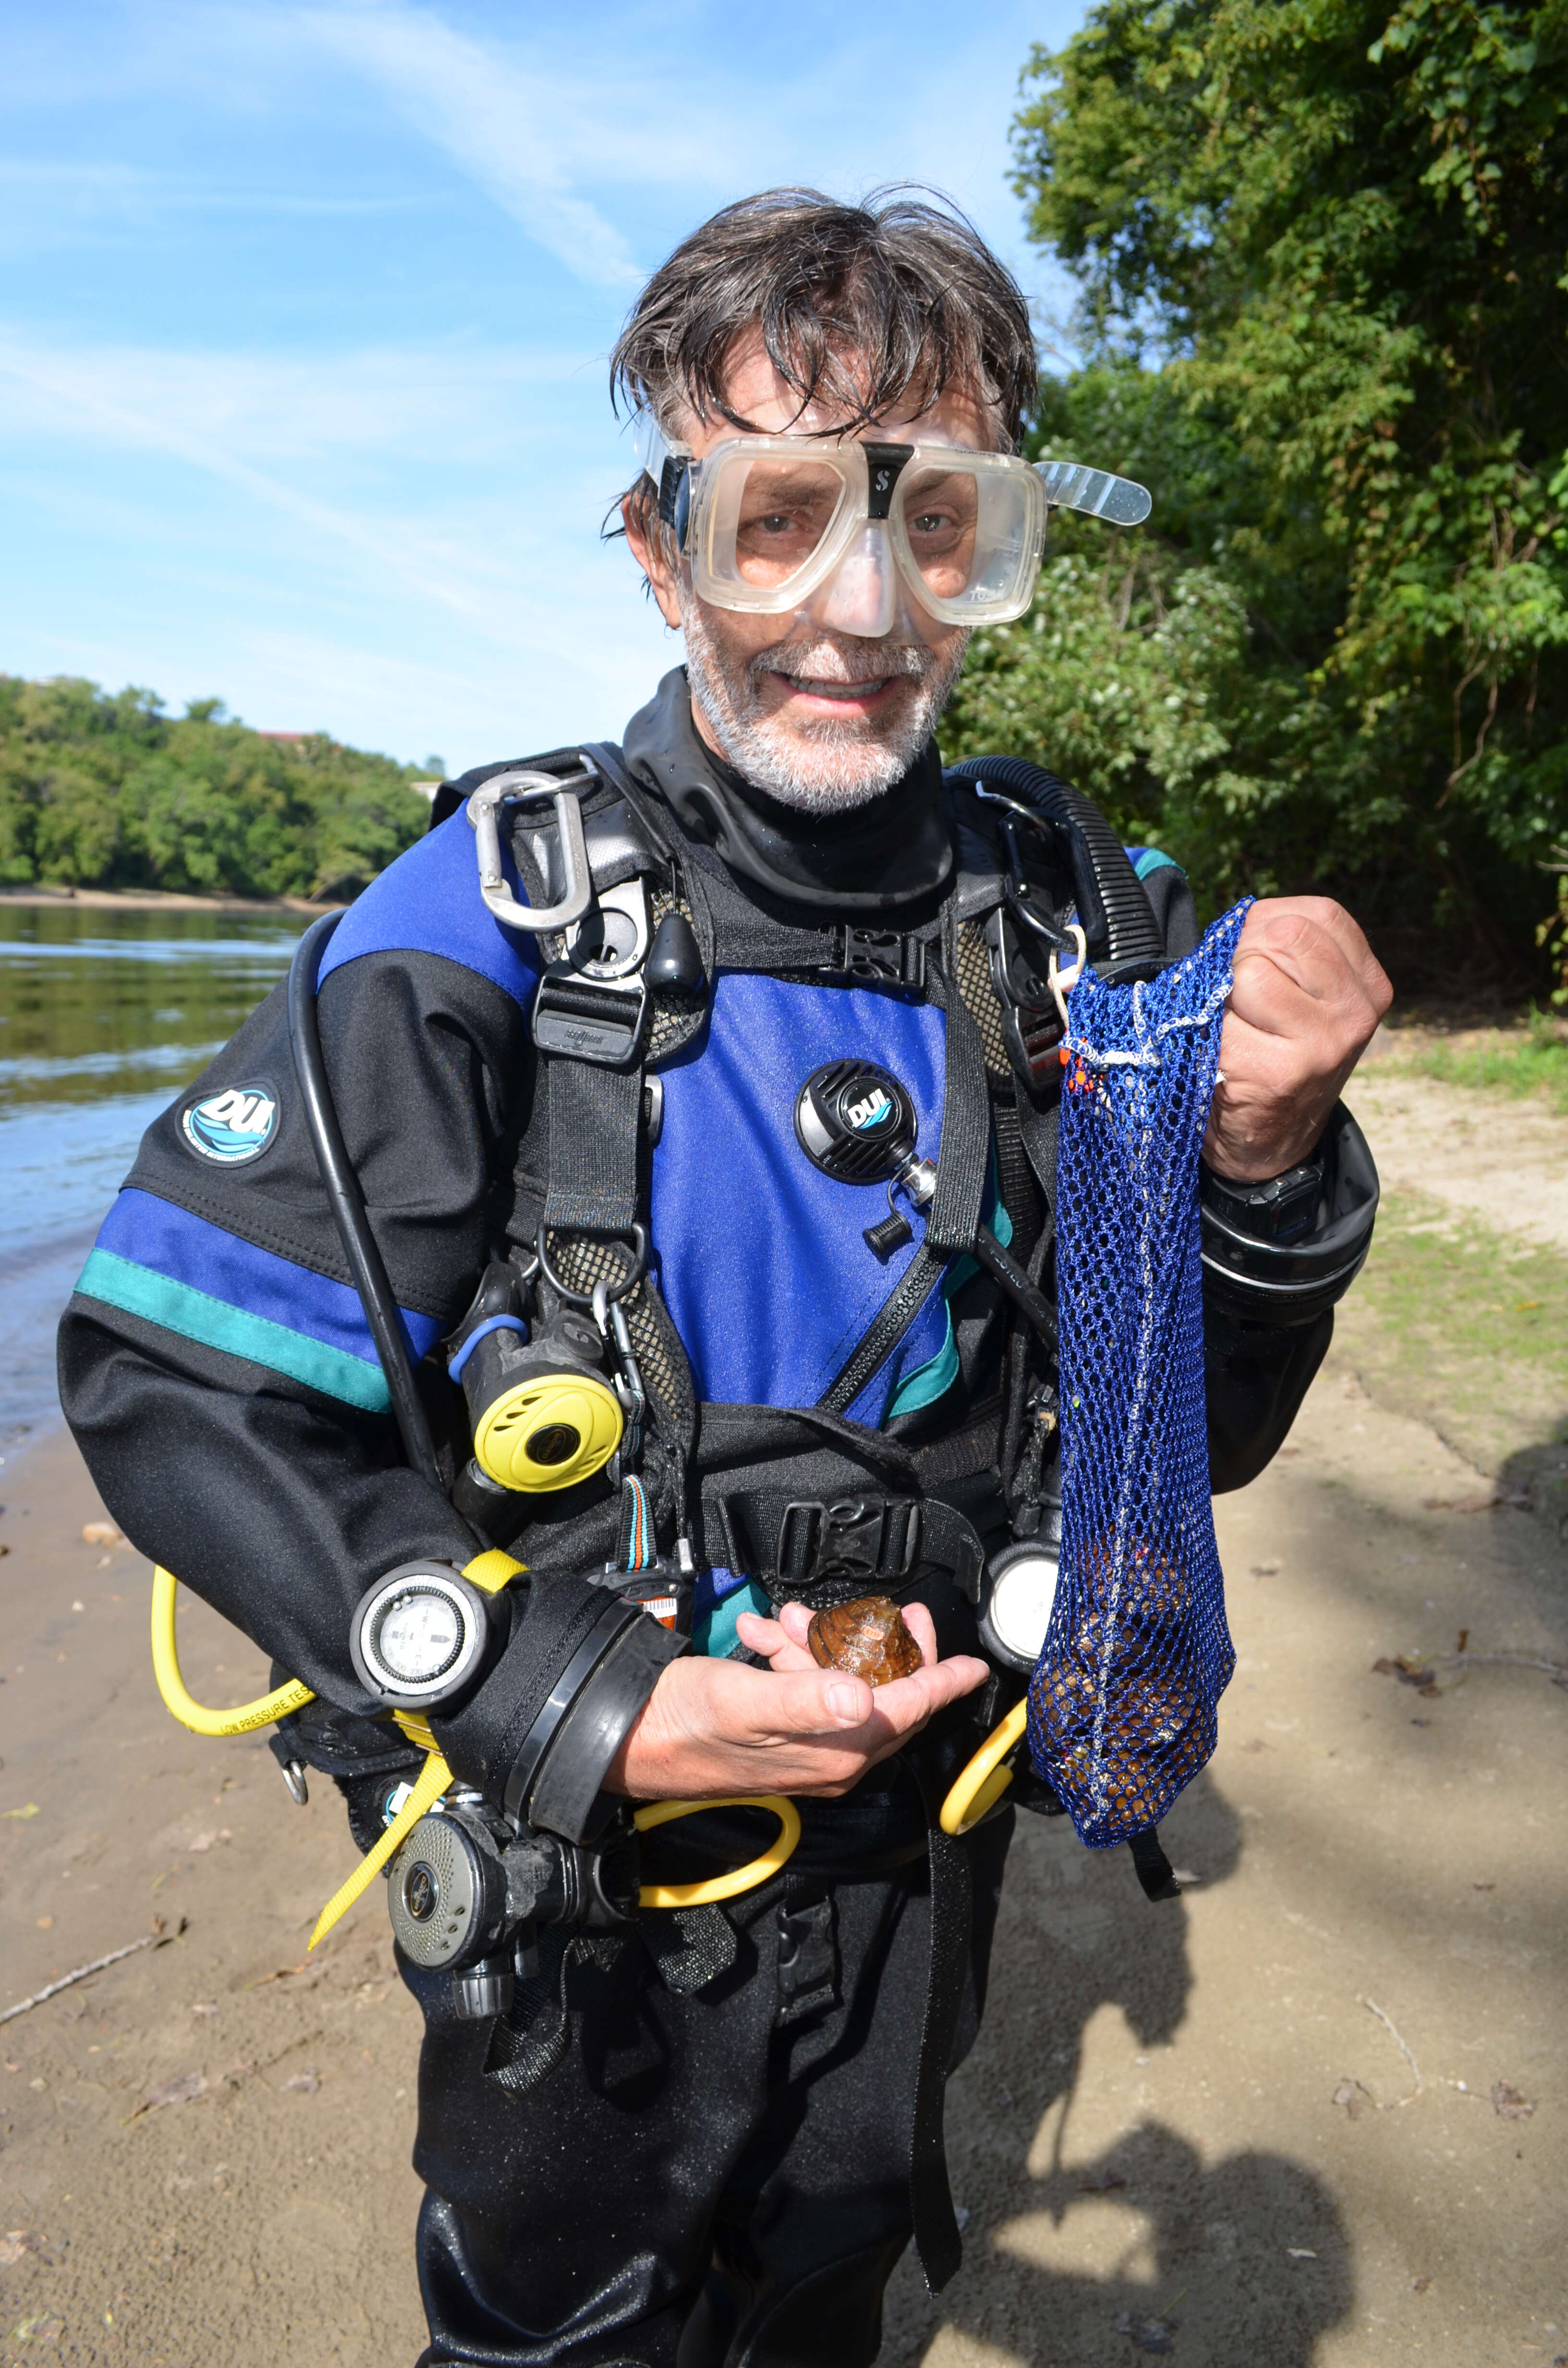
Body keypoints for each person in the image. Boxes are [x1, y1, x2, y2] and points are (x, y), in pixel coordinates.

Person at [58, 189, 1390, 2368]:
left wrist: (1263, 1155)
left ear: (994, 553)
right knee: (564, 2322)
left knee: (825, 2289)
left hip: (919, 1874)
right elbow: (166, 1379)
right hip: (584, 1914)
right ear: (662, 546)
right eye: (779, 518)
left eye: (937, 522)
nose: (859, 609)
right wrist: (572, 1700)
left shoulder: (1078, 935)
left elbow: (1195, 1432)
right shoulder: (484, 918)